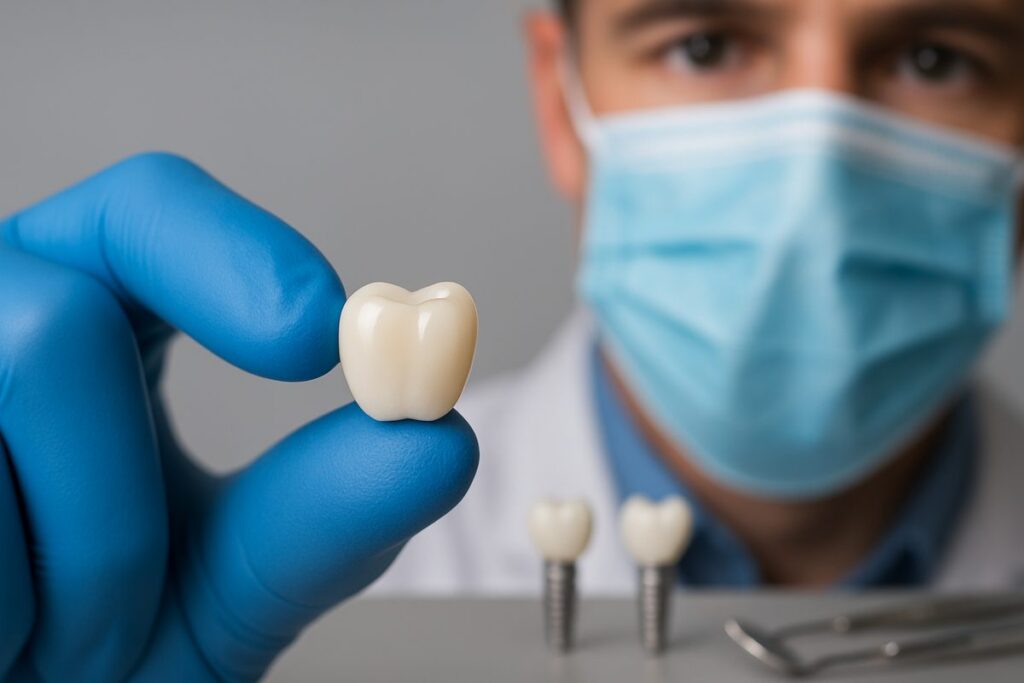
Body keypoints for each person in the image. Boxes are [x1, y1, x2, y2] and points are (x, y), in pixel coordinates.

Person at [0, 0, 1021, 680]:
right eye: (702, 42)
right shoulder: (355, 589)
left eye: (936, 58)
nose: (814, 177)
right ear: (558, 96)